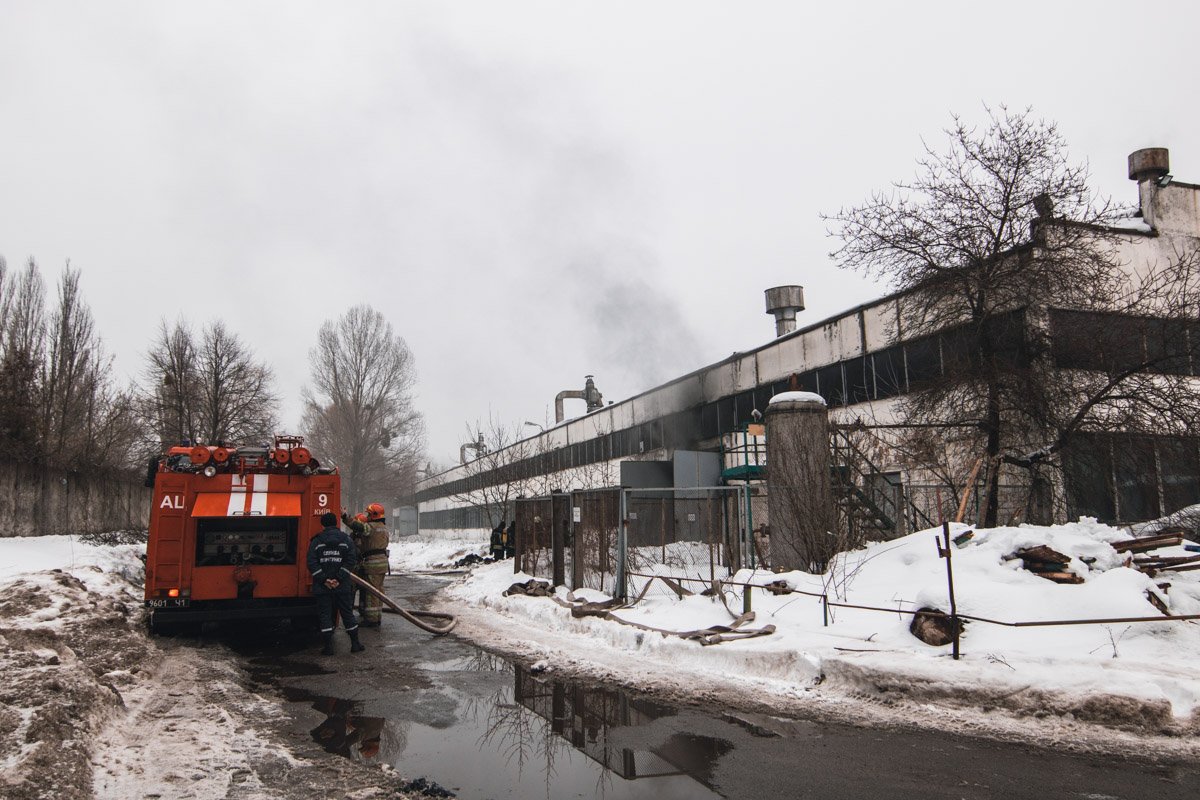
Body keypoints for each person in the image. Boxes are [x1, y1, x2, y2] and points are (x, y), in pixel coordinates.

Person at [306, 511, 365, 655]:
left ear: (323, 524)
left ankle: (328, 647)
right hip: (342, 585)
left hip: (322, 586)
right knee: (347, 614)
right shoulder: (346, 540)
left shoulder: (317, 541)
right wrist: (338, 578)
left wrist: (324, 579)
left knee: (325, 614)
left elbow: (311, 562)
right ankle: (355, 644)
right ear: (336, 523)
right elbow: (351, 560)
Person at [356, 502, 391, 627]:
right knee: (379, 590)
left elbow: (358, 527)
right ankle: (377, 617)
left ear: (373, 515)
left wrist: (344, 517)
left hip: (373, 564)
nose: (367, 516)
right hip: (382, 563)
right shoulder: (383, 527)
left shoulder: (370, 527)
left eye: (369, 514)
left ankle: (371, 620)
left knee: (371, 592)